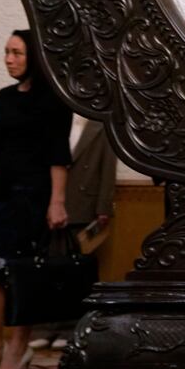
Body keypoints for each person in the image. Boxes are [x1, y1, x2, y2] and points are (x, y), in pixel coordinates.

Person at [0, 30, 72, 369]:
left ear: (35, 58)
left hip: (32, 195)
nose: (9, 59)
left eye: (17, 53)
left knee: (21, 272)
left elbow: (59, 155)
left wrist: (57, 202)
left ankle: (17, 348)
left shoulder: (55, 99)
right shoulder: (4, 98)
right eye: (6, 52)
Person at [30, 117, 117, 350]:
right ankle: (45, 327)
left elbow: (108, 165)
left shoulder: (102, 123)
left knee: (76, 272)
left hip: (83, 205)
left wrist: (103, 207)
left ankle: (71, 327)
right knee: (45, 268)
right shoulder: (51, 118)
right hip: (48, 202)